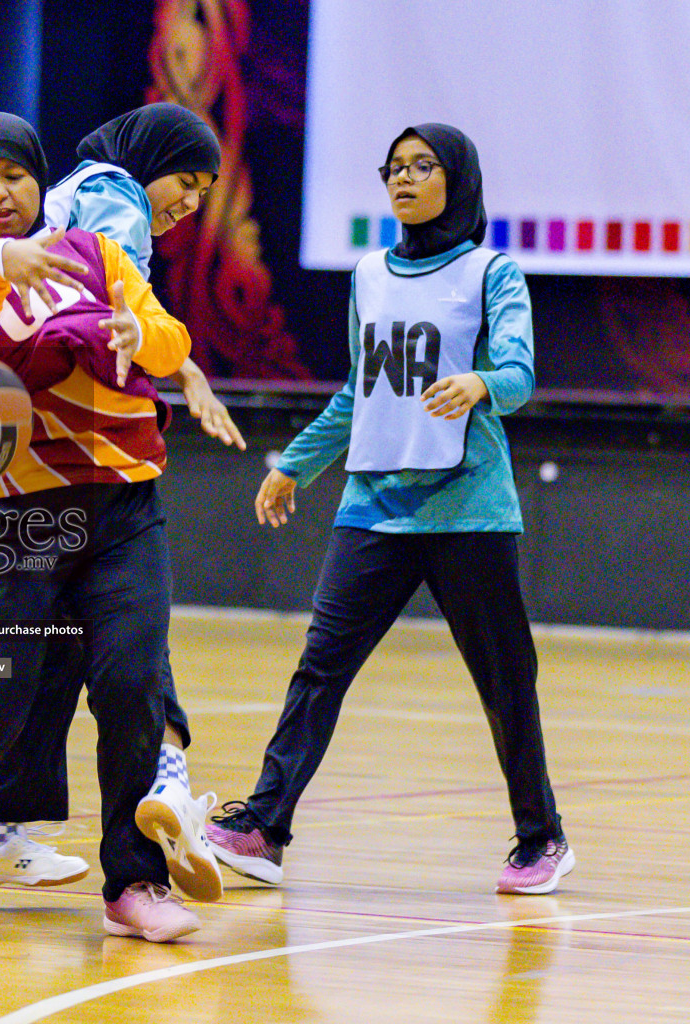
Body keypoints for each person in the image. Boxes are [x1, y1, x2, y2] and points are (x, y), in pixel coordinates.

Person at [203, 124, 574, 895]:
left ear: (457, 180)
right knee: (320, 669)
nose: (403, 179)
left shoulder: (490, 271)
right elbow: (358, 388)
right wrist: (296, 465)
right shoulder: (369, 273)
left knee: (505, 681)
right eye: (394, 168)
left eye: (421, 166)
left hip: (468, 509)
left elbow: (519, 371)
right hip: (372, 505)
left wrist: (482, 386)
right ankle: (264, 829)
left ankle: (542, 839)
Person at [0, 112, 201, 942]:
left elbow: (168, 337)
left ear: (40, 182)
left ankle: (132, 887)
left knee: (131, 689)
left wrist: (144, 333)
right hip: (13, 517)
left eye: (14, 177)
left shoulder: (100, 254)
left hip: (124, 507)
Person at [0, 103, 242, 904]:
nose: (189, 204)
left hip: (26, 459)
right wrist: (175, 367)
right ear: (151, 159)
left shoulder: (70, 194)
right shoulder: (115, 196)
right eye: (185, 181)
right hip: (91, 457)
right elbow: (114, 304)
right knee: (129, 634)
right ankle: (170, 782)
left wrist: (176, 368)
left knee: (57, 656)